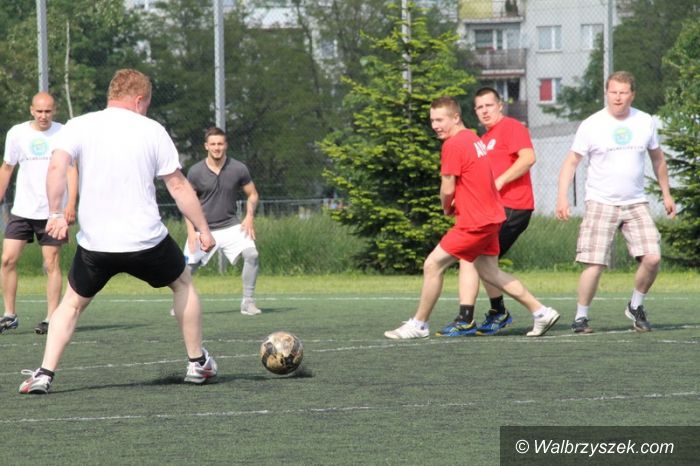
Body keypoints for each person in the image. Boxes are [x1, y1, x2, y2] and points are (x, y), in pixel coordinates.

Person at [19, 69, 217, 394]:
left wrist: (55, 213)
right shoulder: (152, 130)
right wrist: (203, 229)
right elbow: (179, 186)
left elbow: (56, 167)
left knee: (71, 304)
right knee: (182, 284)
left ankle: (44, 374)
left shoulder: (79, 125)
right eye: (147, 104)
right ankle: (198, 363)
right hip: (146, 242)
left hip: (96, 244)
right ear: (139, 100)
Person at [384, 96, 560, 340]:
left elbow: (447, 188)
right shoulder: (473, 138)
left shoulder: (453, 144)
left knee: (433, 265)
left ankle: (419, 324)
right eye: (432, 120)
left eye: (440, 120)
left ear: (456, 117)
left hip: (474, 222)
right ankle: (541, 312)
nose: (435, 125)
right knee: (489, 272)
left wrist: (446, 206)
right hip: (491, 218)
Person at [556, 71, 676, 334]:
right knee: (595, 263)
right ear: (606, 93)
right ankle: (581, 317)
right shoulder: (591, 124)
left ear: (632, 94)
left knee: (653, 258)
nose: (618, 97)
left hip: (636, 203)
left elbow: (658, 158)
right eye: (613, 92)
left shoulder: (645, 121)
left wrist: (666, 194)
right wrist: (562, 197)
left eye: (623, 92)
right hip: (601, 202)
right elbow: (571, 162)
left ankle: (636, 305)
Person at [441, 87, 536, 336]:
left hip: (513, 206)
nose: (484, 111)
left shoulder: (512, 127)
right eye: (479, 107)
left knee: (473, 258)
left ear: (500, 105)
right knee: (483, 262)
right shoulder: (481, 140)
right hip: (492, 209)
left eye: (489, 105)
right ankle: (500, 312)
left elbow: (528, 158)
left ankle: (471, 317)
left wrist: (501, 181)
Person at [0, 92, 78, 336]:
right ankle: (9, 315)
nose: (44, 116)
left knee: (51, 263)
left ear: (54, 111)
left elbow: (71, 170)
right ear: (31, 110)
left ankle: (51, 318)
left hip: (52, 213)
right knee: (7, 260)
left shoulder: (64, 132)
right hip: (22, 210)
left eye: (48, 111)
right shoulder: (17, 133)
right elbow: (7, 168)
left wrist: (70, 204)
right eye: (40, 111)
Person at [181, 126, 261, 316]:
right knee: (185, 270)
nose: (217, 147)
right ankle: (182, 304)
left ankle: (248, 302)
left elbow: (253, 195)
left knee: (252, 255)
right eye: (213, 144)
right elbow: (187, 203)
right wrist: (191, 232)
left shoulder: (239, 168)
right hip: (203, 229)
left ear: (226, 145)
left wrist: (249, 216)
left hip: (231, 225)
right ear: (206, 146)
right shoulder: (195, 171)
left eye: (220, 144)